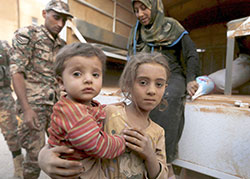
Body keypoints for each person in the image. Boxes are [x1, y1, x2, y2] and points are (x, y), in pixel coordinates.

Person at [38, 52, 174, 179]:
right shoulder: (107, 114)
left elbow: (161, 175)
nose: (151, 91)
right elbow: (70, 135)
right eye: (143, 82)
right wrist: (43, 157)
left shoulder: (158, 132)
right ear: (128, 84)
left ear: (165, 88)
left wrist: (149, 155)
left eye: (159, 84)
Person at [127, 0, 200, 163]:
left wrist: (190, 80)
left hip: (171, 75)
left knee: (167, 97)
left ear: (154, 6)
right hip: (144, 75)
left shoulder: (171, 26)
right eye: (136, 10)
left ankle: (163, 158)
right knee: (135, 99)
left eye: (144, 8)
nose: (140, 14)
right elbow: (131, 60)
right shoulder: (136, 32)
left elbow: (191, 53)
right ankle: (138, 151)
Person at [9, 0, 73, 178]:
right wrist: (27, 110)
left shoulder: (62, 45)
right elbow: (16, 72)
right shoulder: (29, 34)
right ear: (45, 14)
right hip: (34, 107)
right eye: (56, 17)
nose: (60, 24)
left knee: (62, 153)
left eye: (64, 20)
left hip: (57, 108)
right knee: (35, 157)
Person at [48, 42, 125, 178]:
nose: (88, 79)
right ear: (61, 83)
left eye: (95, 74)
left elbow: (93, 111)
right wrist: (122, 141)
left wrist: (109, 107)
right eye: (77, 74)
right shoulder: (71, 112)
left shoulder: (84, 105)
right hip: (78, 171)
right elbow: (98, 145)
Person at [0, 40, 23, 178]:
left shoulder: (4, 46)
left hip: (3, 94)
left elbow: (16, 67)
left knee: (11, 132)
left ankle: (19, 166)